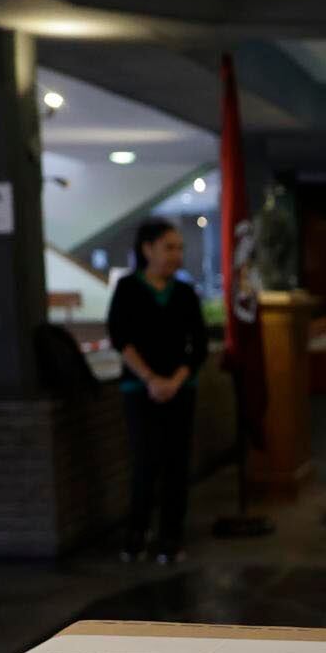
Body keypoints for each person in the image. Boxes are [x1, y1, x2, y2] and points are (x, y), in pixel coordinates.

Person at [107, 220, 206, 563]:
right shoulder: (127, 289)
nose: (176, 255)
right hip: (139, 388)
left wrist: (175, 380)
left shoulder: (185, 293)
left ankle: (171, 538)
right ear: (147, 249)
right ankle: (136, 534)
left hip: (181, 388)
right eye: (169, 247)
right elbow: (121, 338)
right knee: (144, 461)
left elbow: (199, 346)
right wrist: (150, 378)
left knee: (177, 463)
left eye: (180, 248)